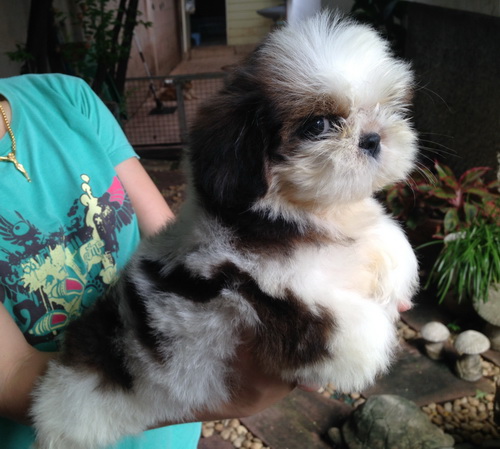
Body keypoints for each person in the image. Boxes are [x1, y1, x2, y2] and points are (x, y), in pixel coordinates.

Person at [0, 73, 294, 449]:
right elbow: (12, 373)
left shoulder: (65, 97)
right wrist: (225, 393)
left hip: (170, 432)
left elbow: (173, 244)